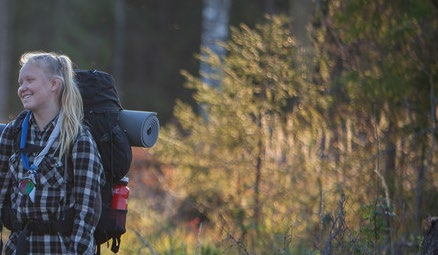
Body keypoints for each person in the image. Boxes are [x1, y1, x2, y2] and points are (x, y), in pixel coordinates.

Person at [0, 51, 104, 254]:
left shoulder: (78, 138)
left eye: (30, 80)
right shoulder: (12, 134)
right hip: (19, 247)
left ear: (54, 84)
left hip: (62, 248)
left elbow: (87, 211)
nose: (22, 88)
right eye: (20, 83)